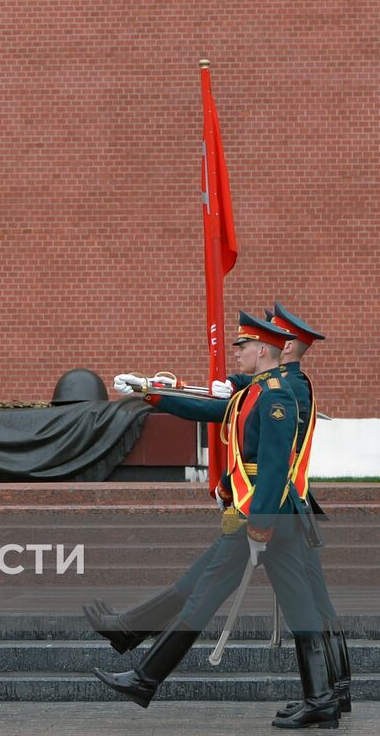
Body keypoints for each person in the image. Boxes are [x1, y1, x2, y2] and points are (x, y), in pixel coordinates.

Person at [86, 302, 347, 724]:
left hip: (263, 518)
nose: (236, 353)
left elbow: (276, 467)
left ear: (263, 349)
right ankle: (320, 701)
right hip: (270, 517)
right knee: (295, 606)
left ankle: (144, 676)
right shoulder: (258, 391)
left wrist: (260, 526)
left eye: (242, 346)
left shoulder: (277, 396)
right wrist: (153, 392)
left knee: (203, 596)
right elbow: (212, 408)